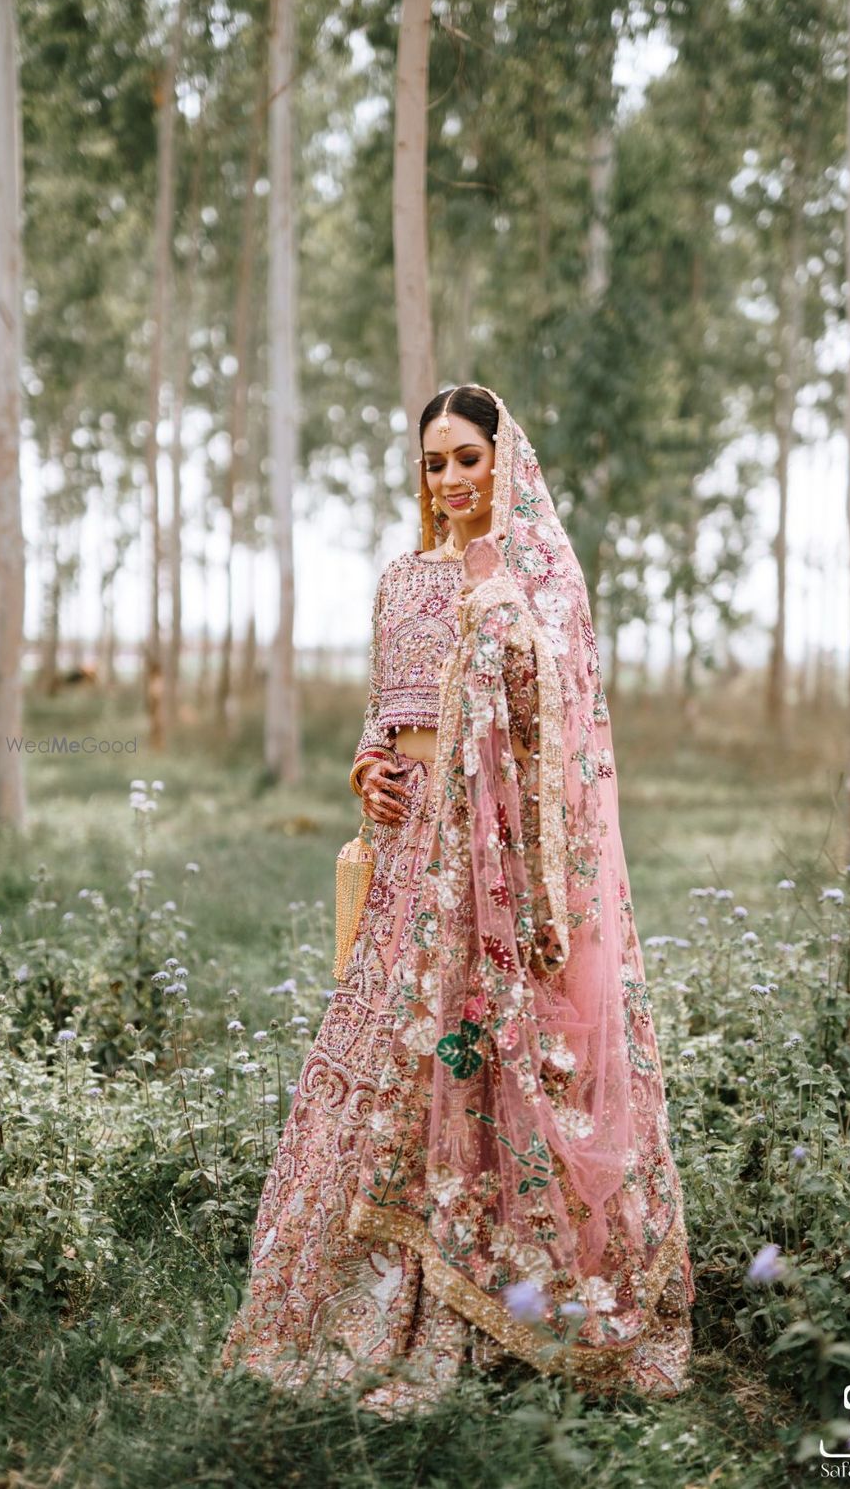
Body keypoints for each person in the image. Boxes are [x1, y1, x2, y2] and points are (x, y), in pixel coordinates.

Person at [219, 384, 695, 1415]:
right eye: (433, 462)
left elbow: (567, 741)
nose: (449, 480)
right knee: (392, 1067)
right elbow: (381, 715)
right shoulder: (401, 581)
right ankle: (374, 1301)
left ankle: (503, 1314)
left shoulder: (536, 586)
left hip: (494, 873)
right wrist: (367, 770)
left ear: (502, 461)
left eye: (466, 458)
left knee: (483, 1069)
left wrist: (497, 839)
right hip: (405, 870)